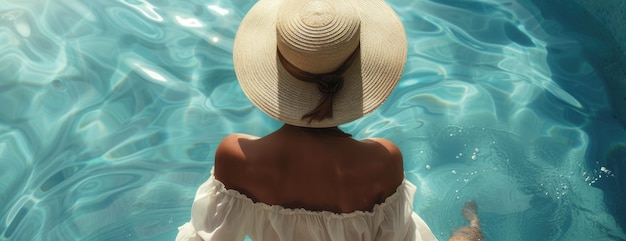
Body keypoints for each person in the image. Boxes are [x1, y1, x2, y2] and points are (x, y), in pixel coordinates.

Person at [176, 0, 481, 240]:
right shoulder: (382, 161)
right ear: (359, 72)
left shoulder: (237, 158)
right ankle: (473, 228)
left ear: (278, 71)